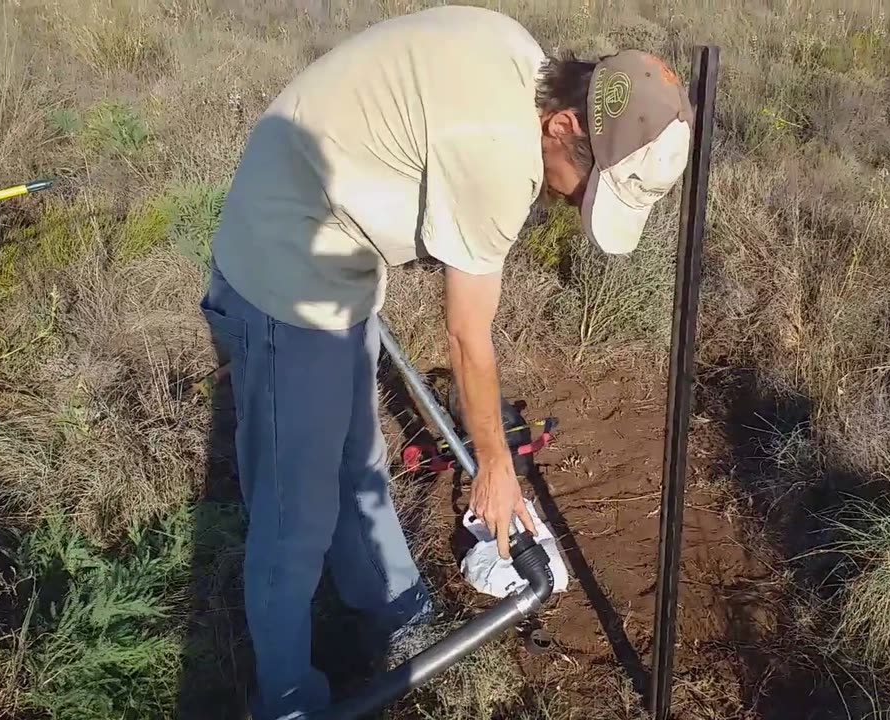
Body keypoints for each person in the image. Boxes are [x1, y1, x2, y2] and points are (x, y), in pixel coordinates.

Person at [198, 5, 693, 718]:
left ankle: (397, 612)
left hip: (337, 248)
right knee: (294, 510)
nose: (576, 201)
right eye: (586, 187)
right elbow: (466, 336)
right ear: (564, 127)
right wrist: (494, 464)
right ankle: (287, 698)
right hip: (285, 271)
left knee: (356, 458)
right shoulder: (497, 155)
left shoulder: (522, 59)